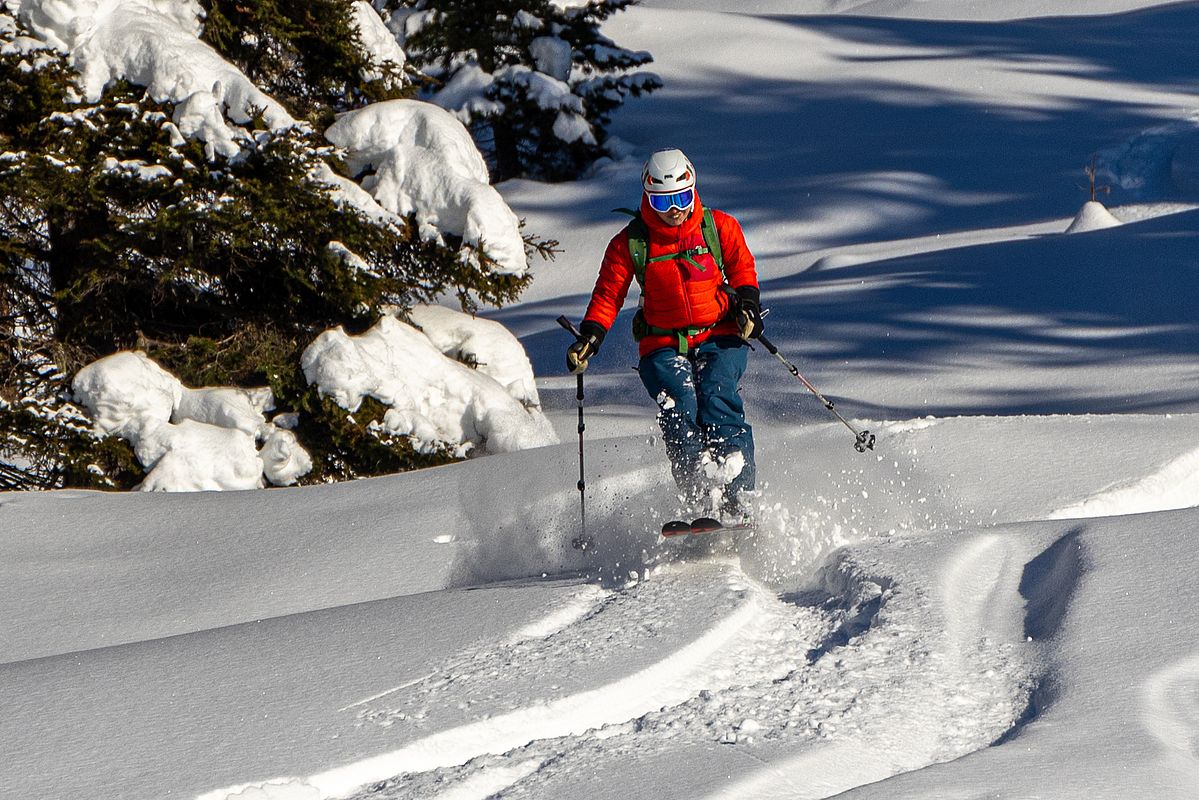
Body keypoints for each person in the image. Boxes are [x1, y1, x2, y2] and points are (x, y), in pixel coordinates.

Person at [566, 148, 763, 522]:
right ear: (647, 197)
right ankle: (700, 498)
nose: (674, 209)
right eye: (663, 200)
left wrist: (748, 306)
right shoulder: (630, 244)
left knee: (718, 398)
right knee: (680, 408)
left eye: (682, 198)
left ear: (693, 191)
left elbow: (743, 270)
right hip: (662, 343)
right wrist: (590, 338)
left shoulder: (718, 227)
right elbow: (609, 294)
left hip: (719, 334)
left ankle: (740, 500)